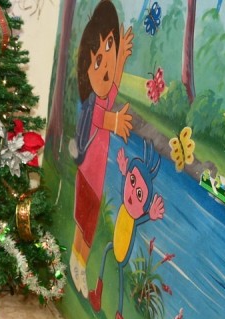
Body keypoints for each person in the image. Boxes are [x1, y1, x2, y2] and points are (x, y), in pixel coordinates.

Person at [69, 0, 133, 296]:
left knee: (90, 228)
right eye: (97, 62)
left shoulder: (105, 96)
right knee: (83, 226)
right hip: (87, 176)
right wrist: (116, 122)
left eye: (110, 46)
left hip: (95, 181)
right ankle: (77, 264)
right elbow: (104, 119)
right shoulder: (93, 105)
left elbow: (114, 84)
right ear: (86, 70)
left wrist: (122, 59)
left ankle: (79, 264)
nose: (105, 65)